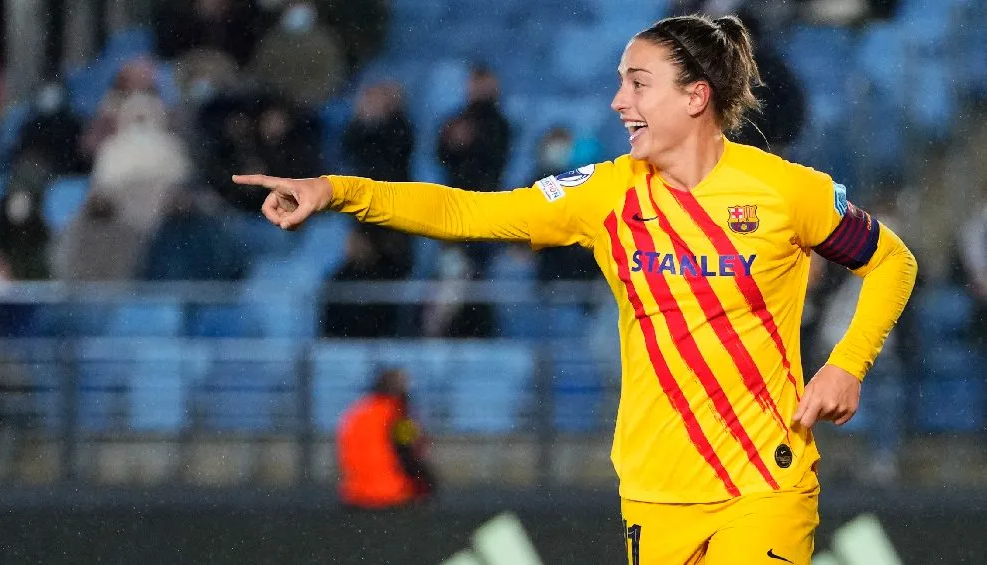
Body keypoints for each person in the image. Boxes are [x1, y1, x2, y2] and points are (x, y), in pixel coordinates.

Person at [234, 14, 917, 564]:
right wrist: (339, 190)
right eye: (621, 84)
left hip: (764, 483)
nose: (619, 102)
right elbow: (470, 212)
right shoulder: (606, 194)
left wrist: (846, 364)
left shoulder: (787, 191)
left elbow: (892, 261)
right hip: (654, 491)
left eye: (638, 84)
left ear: (695, 96)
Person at [336, 368, 435, 509]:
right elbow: (410, 451)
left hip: (354, 494)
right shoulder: (396, 412)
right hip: (390, 494)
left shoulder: (357, 411)